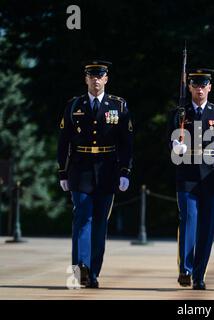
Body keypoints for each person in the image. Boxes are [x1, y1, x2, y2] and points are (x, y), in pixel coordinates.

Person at [57, 60, 133, 288]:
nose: (96, 80)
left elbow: (126, 142)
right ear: (86, 79)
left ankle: (94, 272)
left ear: (106, 79)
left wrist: (125, 171)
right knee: (82, 220)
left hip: (107, 169)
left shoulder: (118, 106)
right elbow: (63, 142)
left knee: (100, 223)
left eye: (100, 76)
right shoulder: (74, 105)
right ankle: (80, 272)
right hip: (80, 170)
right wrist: (62, 171)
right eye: (92, 76)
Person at [168, 68, 214, 290]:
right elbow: (168, 143)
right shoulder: (180, 113)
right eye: (195, 84)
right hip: (187, 176)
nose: (199, 88)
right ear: (189, 87)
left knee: (207, 228)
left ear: (210, 87)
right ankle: (186, 269)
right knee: (189, 220)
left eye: (203, 84)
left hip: (212, 176)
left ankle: (199, 275)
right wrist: (175, 146)